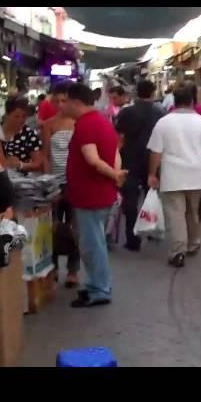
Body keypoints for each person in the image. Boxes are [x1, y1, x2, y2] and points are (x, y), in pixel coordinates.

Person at [63, 82, 126, 308]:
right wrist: (115, 173)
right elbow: (115, 152)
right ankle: (95, 285)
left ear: (76, 102)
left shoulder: (86, 125)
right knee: (94, 241)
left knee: (92, 244)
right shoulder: (102, 122)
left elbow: (92, 159)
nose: (63, 106)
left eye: (65, 101)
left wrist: (114, 175)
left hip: (90, 194)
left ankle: (99, 289)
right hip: (98, 193)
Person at [147, 82, 201, 268]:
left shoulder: (163, 123)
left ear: (174, 101)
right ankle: (193, 243)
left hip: (172, 175)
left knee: (176, 213)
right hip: (196, 175)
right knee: (192, 211)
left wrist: (152, 174)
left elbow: (155, 152)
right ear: (193, 101)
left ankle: (178, 251)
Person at [115, 80, 165, 252]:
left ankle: (132, 238)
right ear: (152, 93)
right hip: (152, 159)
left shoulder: (126, 112)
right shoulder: (160, 112)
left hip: (129, 160)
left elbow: (119, 137)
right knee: (151, 194)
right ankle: (150, 227)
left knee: (130, 200)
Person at [41, 81, 81, 287]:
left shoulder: (79, 123)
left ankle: (73, 270)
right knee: (52, 226)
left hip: (75, 182)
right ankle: (54, 267)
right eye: (56, 101)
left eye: (64, 100)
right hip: (55, 182)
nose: (60, 104)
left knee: (75, 227)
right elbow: (46, 156)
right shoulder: (48, 124)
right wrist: (49, 183)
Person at [1, 96, 44, 173]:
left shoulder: (29, 134)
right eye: (16, 116)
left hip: (22, 181)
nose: (20, 120)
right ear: (7, 114)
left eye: (24, 116)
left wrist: (21, 165)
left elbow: (38, 164)